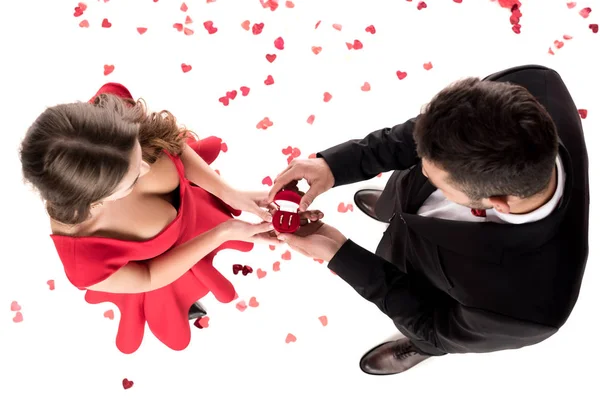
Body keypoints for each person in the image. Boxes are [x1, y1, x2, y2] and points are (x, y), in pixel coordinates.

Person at [268, 65, 590, 375]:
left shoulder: (528, 309)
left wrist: (340, 254)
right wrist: (334, 167)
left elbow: (436, 326)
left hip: (427, 285)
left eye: (435, 179)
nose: (418, 168)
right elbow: (422, 134)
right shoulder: (530, 85)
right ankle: (392, 210)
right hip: (419, 201)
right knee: (401, 198)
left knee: (429, 338)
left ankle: (420, 349)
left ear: (498, 203)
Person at [19, 83, 322, 354]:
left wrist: (230, 194)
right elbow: (149, 277)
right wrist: (222, 232)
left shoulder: (105, 128)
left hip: (198, 208)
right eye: (132, 179)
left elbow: (173, 146)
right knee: (179, 296)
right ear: (95, 200)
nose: (146, 169)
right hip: (170, 264)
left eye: (140, 157)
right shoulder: (84, 258)